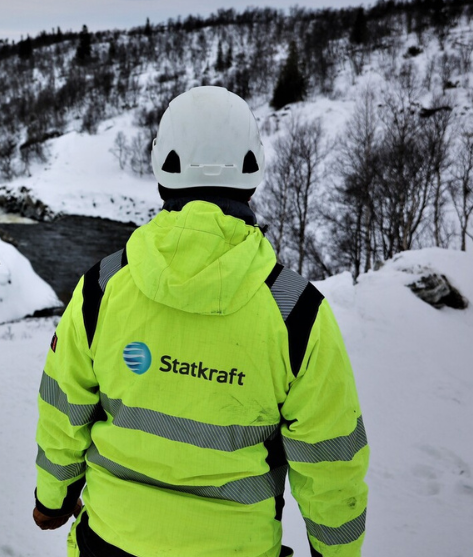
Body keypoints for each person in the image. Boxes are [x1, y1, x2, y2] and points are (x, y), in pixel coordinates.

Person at [32, 86, 368, 556]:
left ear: (162, 167)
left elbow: (63, 407)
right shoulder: (297, 312)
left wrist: (52, 498)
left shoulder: (103, 288)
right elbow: (331, 460)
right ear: (252, 168)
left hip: (108, 540)